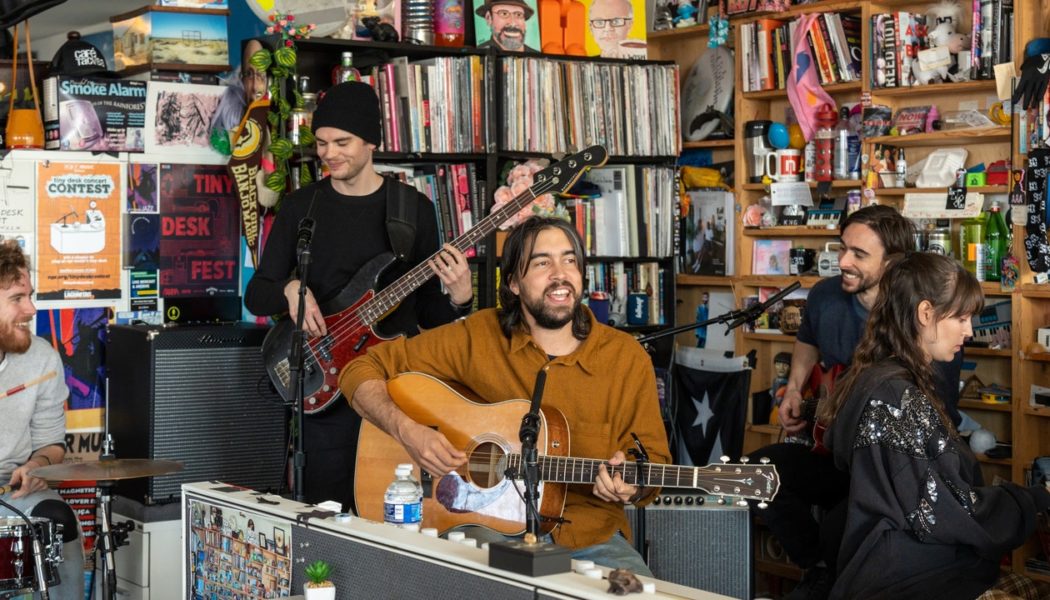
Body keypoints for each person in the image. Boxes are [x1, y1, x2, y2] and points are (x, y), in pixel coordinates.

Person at [341, 216, 671, 574]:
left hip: (590, 538)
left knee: (640, 594)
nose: (560, 274)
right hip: (483, 530)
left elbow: (654, 462)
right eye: (542, 263)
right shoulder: (479, 335)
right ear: (513, 282)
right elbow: (360, 369)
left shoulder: (626, 358)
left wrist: (631, 487)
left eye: (570, 260)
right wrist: (408, 431)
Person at [244, 81, 473, 511]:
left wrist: (459, 299)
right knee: (324, 513)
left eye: (342, 142)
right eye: (322, 143)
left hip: (393, 390)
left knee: (391, 512)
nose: (329, 154)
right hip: (323, 387)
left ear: (371, 142)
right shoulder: (302, 207)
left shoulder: (413, 209)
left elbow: (428, 313)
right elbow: (256, 294)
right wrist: (290, 290)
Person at [752, 205, 963, 600]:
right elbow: (808, 341)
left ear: (893, 263)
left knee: (843, 524)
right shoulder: (824, 295)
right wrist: (795, 389)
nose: (843, 262)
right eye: (842, 248)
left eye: (859, 254)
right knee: (759, 472)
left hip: (889, 468)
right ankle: (816, 568)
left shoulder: (924, 316)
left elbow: (935, 415)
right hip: (834, 453)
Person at [822, 252, 1050, 599]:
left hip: (902, 567)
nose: (969, 330)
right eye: (961, 318)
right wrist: (1036, 498)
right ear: (926, 313)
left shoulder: (883, 380)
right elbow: (947, 510)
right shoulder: (896, 397)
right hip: (907, 580)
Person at [0, 240, 84, 600]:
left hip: (12, 490)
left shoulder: (42, 358)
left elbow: (52, 443)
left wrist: (37, 466)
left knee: (59, 522)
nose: (31, 309)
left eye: (30, 296)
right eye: (17, 298)